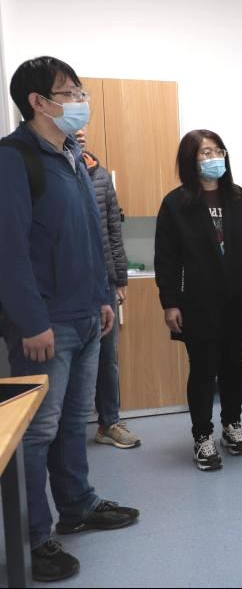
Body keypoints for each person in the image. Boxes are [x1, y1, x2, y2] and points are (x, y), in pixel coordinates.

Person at [0, 56, 138, 583]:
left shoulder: (73, 155)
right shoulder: (15, 158)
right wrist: (31, 321)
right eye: (70, 93)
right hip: (46, 324)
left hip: (86, 315)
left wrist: (103, 297)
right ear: (38, 102)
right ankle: (34, 538)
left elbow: (89, 234)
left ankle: (78, 504)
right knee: (36, 434)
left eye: (81, 92)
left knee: (74, 423)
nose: (81, 101)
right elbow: (8, 250)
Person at [154, 129, 242, 471]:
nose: (213, 157)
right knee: (203, 369)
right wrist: (169, 302)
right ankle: (202, 436)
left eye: (218, 151)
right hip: (198, 301)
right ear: (190, 160)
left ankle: (232, 425)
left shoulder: (238, 197)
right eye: (205, 153)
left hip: (238, 297)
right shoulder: (175, 203)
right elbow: (166, 258)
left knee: (233, 365)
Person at [74, 128, 141, 449]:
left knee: (107, 359)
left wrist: (120, 280)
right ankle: (66, 432)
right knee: (71, 361)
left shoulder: (100, 176)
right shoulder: (53, 172)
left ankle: (109, 422)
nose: (80, 130)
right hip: (66, 286)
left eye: (82, 120)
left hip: (103, 284)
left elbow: (114, 230)